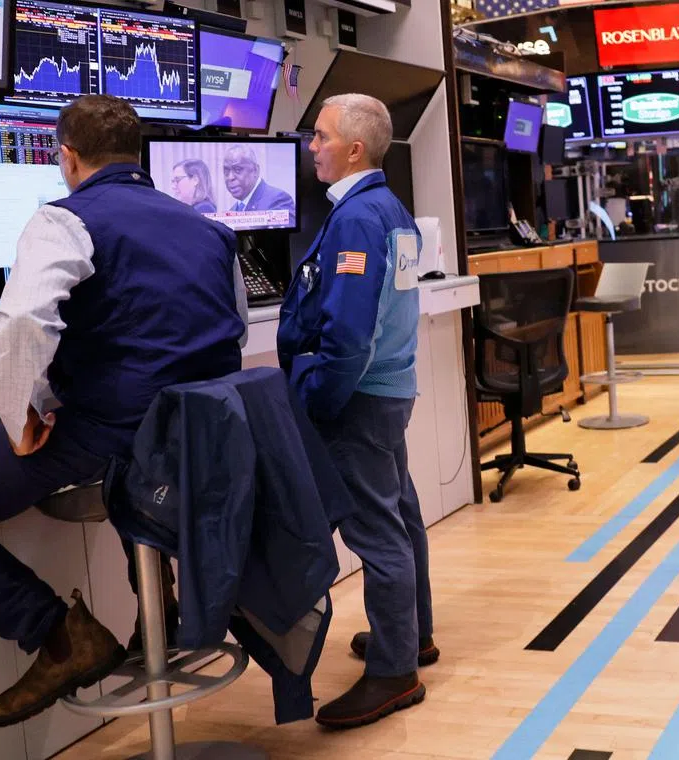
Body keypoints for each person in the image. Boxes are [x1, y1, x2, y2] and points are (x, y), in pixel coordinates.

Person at [0, 94, 248, 729]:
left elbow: (22, 319)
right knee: (136, 463)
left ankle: (57, 635)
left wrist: (21, 418)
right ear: (139, 154)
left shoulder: (65, 219)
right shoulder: (210, 228)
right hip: (197, 434)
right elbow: (234, 327)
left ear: (67, 158)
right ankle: (163, 603)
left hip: (110, 435)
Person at [277, 93, 436, 729]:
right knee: (400, 514)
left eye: (319, 136)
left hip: (359, 401)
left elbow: (348, 336)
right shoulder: (386, 208)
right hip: (388, 392)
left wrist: (317, 403)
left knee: (377, 532)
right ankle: (412, 635)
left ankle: (396, 673)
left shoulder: (356, 221)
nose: (309, 146)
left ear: (354, 149)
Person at [223, 144, 296, 226]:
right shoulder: (231, 212)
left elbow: (283, 236)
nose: (230, 177)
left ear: (255, 170)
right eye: (226, 171)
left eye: (238, 170)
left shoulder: (278, 200)